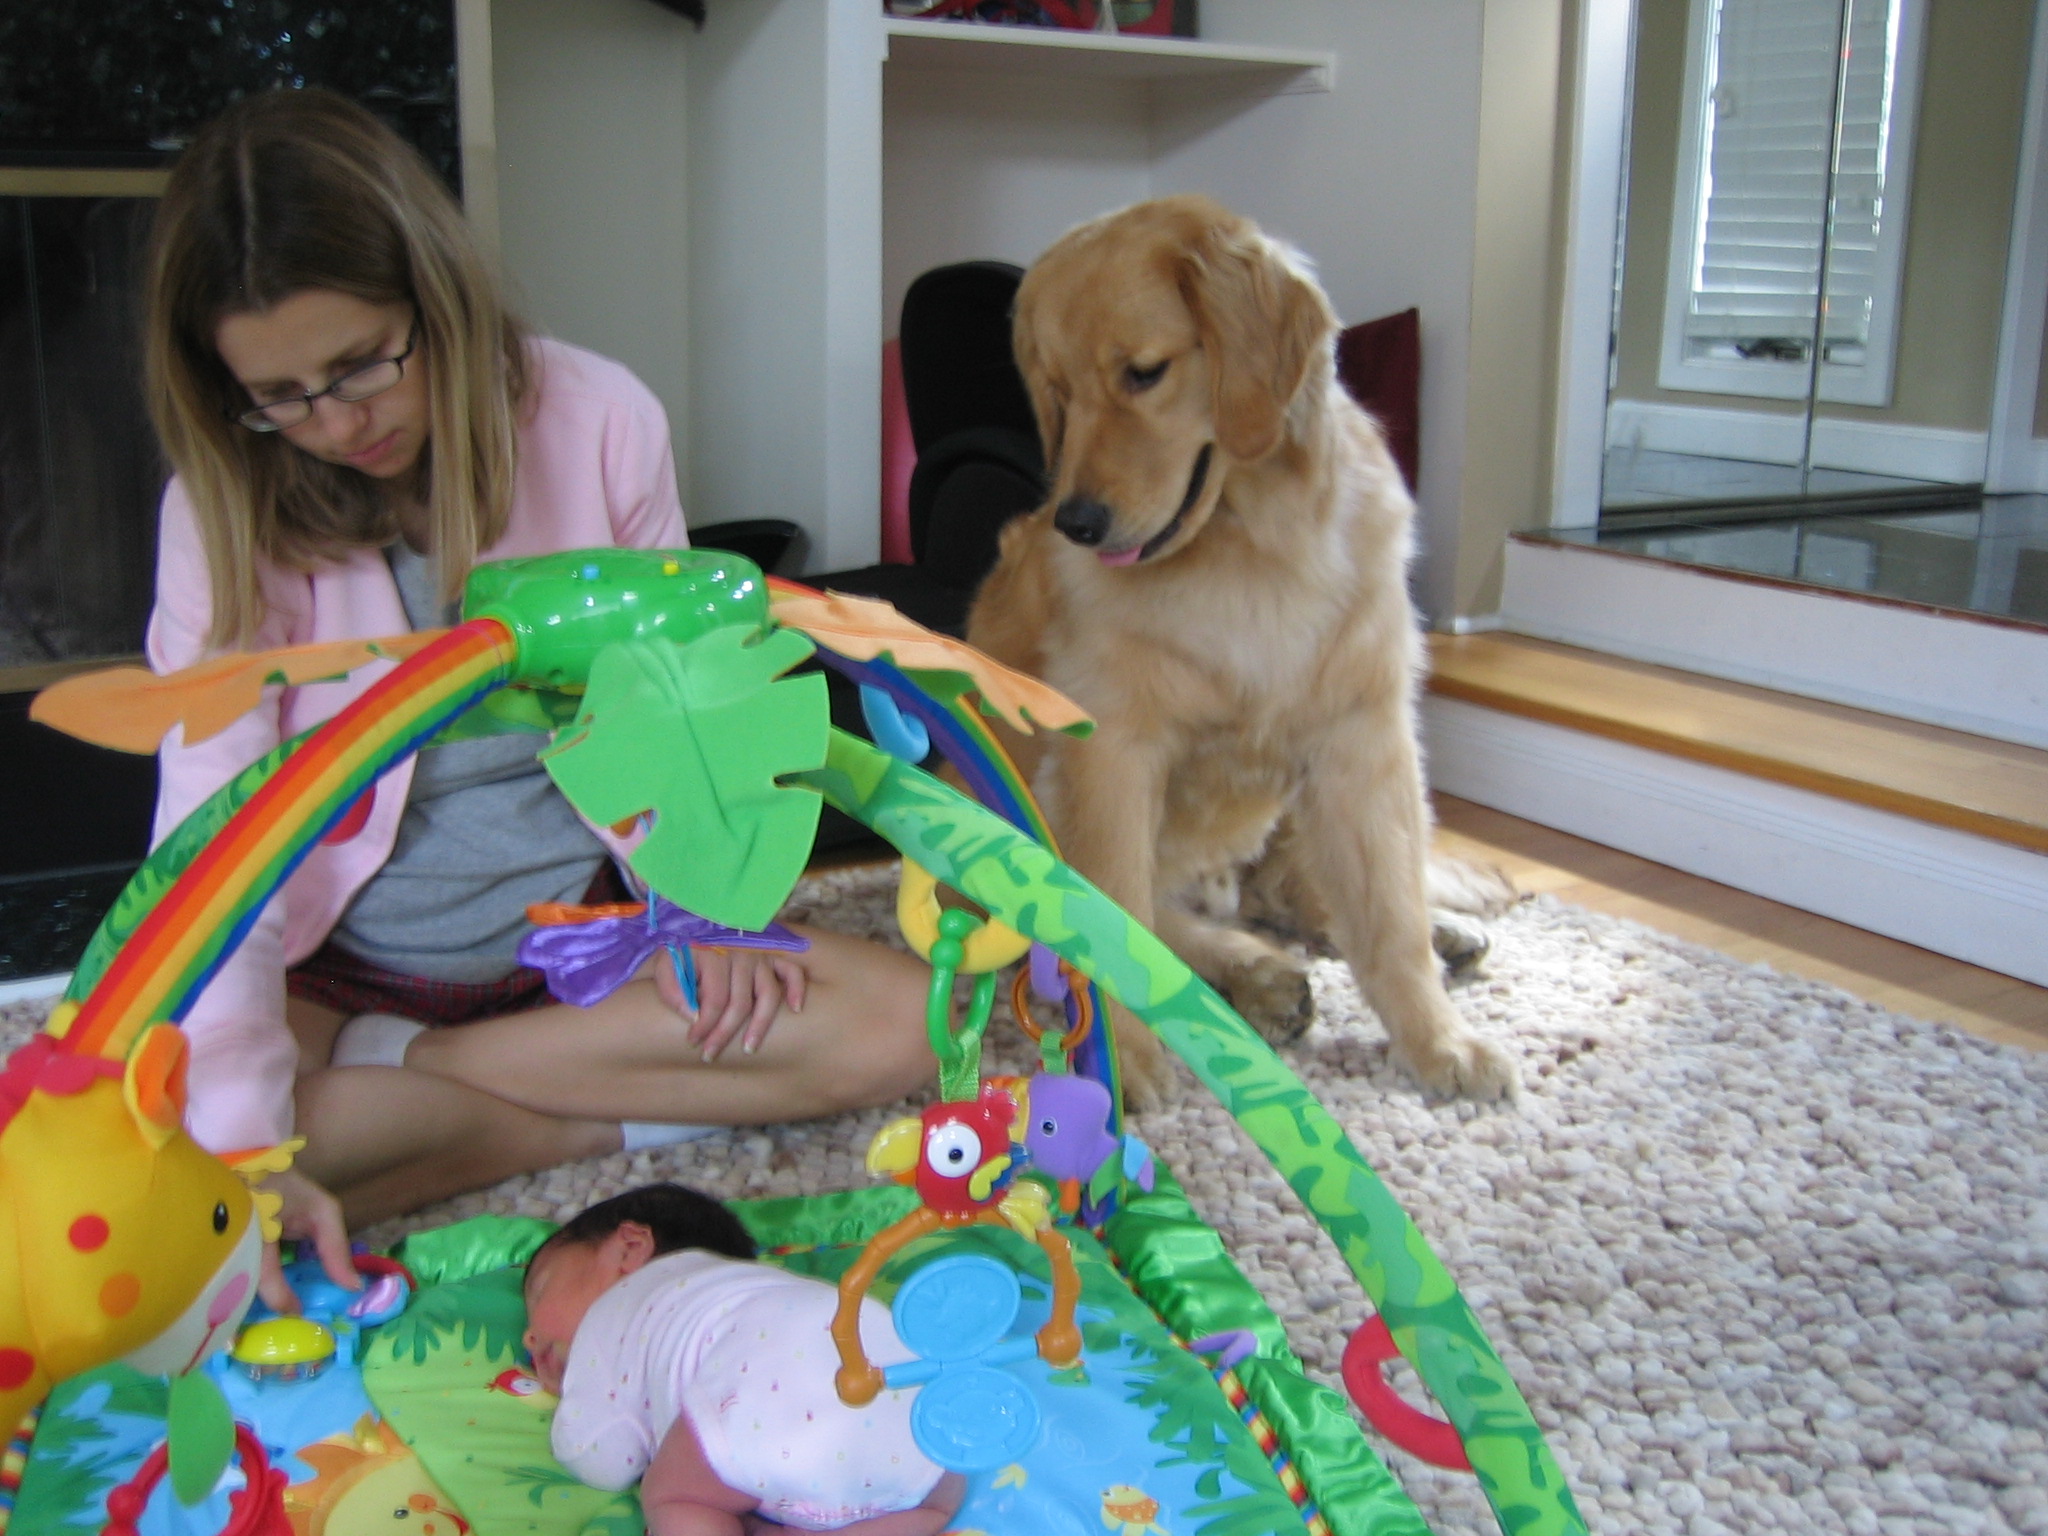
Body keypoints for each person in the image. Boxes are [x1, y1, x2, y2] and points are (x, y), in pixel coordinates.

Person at [140, 88, 933, 1312]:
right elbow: (213, 839)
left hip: (584, 951)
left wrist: (702, 908)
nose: (333, 421)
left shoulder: (597, 415)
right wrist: (246, 1150)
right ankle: (586, 1123)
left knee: (905, 1026)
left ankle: (433, 1076)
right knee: (182, 1167)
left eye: (359, 363)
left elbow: (692, 697)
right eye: (280, 395)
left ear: (435, 296)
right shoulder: (221, 515)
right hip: (336, 974)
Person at [523, 1184, 966, 1536]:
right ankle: (922, 1515)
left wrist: (573, 1391)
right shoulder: (763, 1283)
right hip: (905, 1398)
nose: (529, 1334)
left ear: (630, 1246)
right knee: (932, 1480)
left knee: (675, 1497)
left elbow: (601, 1459)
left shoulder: (616, 1308)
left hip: (759, 1393)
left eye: (541, 1289)